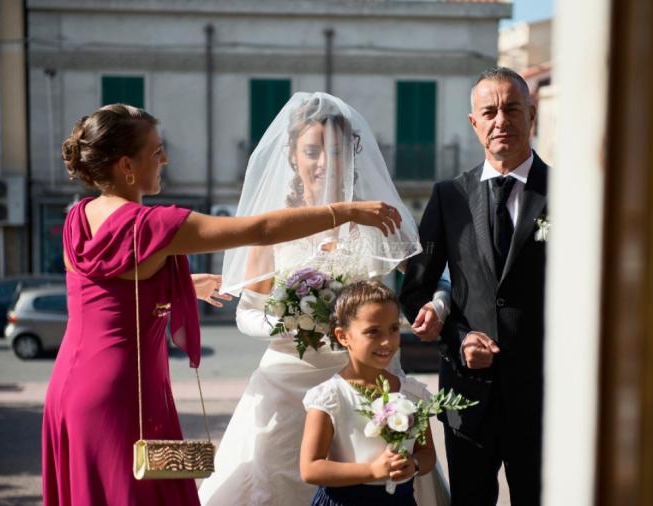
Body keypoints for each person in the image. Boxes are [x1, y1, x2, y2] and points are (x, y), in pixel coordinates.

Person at [42, 103, 401, 506]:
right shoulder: (152, 225)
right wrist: (345, 210)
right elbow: (260, 229)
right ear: (127, 165)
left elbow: (111, 288)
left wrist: (181, 283)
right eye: (156, 151)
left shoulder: (79, 217)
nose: (166, 159)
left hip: (70, 384)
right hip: (122, 388)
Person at [199, 92, 448, 506]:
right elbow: (247, 312)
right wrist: (287, 322)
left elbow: (435, 277)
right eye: (311, 151)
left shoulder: (381, 217)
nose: (322, 162)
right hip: (288, 383)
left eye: (334, 151)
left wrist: (435, 305)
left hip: (370, 382)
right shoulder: (274, 223)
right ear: (294, 157)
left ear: (350, 155)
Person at [400, 67, 549, 505]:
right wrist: (458, 337)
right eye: (489, 111)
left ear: (531, 115)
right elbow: (416, 290)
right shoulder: (449, 196)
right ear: (474, 123)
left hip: (543, 395)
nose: (501, 120)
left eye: (512, 109)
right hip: (468, 396)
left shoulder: (569, 192)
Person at [300, 280, 436, 506]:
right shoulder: (330, 396)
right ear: (343, 336)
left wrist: (414, 464)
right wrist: (371, 471)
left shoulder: (412, 393)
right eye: (373, 332)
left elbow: (427, 453)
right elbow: (310, 468)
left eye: (394, 329)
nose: (387, 341)